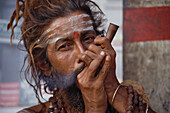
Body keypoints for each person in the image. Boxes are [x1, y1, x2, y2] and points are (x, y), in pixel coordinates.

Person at [7, 0, 156, 113]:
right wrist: (94, 107)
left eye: (88, 38)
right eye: (64, 46)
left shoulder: (130, 97)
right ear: (44, 65)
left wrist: (113, 89)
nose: (82, 52)